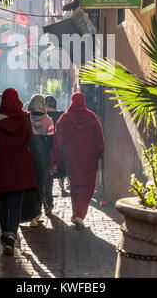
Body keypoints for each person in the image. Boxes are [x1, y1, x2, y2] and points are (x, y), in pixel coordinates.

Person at [0, 88, 36, 255]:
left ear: (3, 101)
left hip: (0, 166)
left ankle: (5, 233)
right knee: (16, 204)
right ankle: (12, 234)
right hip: (20, 166)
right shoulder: (25, 117)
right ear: (17, 100)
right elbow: (29, 137)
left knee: (2, 202)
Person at [51, 92, 105, 231]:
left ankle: (76, 213)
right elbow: (100, 137)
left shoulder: (65, 118)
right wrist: (100, 154)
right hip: (90, 157)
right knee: (87, 186)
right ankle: (79, 214)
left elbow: (58, 139)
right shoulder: (91, 117)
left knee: (75, 185)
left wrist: (55, 159)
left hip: (71, 158)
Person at [24, 94, 54, 227]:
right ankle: (36, 213)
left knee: (28, 184)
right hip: (42, 158)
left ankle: (28, 213)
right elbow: (51, 142)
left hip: (27, 156)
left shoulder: (26, 119)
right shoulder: (48, 120)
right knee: (40, 185)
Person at [44, 95, 65, 211]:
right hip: (59, 148)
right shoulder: (61, 114)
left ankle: (48, 203)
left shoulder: (42, 116)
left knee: (47, 178)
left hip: (45, 149)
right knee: (58, 171)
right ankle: (62, 179)